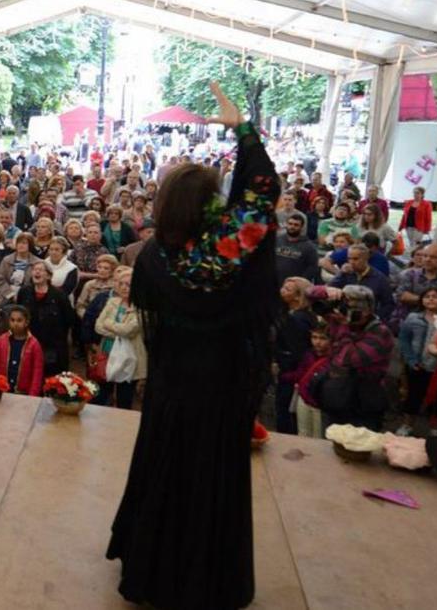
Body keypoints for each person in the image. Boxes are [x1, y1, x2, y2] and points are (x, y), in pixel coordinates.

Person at [108, 83, 281, 609]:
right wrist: (242, 130)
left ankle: (153, 571)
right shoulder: (231, 249)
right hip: (221, 380)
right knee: (212, 475)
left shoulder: (154, 258)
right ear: (211, 207)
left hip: (173, 382)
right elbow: (261, 190)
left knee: (166, 465)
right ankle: (208, 578)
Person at [306, 284, 393, 432]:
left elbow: (347, 360)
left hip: (363, 402)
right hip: (336, 394)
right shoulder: (340, 318)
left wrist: (343, 327)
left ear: (367, 311)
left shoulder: (380, 332)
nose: (343, 312)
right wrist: (327, 291)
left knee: (357, 446)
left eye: (351, 309)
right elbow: (308, 293)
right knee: (330, 439)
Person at [94, 267, 146, 410]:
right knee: (102, 394)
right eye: (121, 284)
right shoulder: (112, 302)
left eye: (128, 284)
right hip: (107, 351)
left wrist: (109, 324)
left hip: (129, 357)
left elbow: (129, 330)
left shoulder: (142, 306)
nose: (124, 287)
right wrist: (118, 329)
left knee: (124, 397)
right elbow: (98, 326)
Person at [16, 262, 77, 377]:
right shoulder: (24, 292)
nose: (37, 272)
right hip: (29, 341)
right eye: (34, 269)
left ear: (49, 276)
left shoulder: (59, 295)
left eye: (41, 270)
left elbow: (69, 318)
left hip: (53, 345)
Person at [396, 287, 437, 436]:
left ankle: (435, 428)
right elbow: (404, 340)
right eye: (427, 296)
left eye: (435, 296)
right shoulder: (413, 318)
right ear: (422, 300)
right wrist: (411, 359)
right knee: (413, 397)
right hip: (418, 365)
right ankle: (407, 425)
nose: (431, 299)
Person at [274, 277, 315, 434]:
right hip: (295, 370)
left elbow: (294, 350)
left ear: (298, 297)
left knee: (285, 409)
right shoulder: (297, 315)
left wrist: (279, 365)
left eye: (287, 290)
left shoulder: (296, 319)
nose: (282, 291)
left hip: (291, 372)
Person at [327, 244, 395, 322]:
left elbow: (388, 304)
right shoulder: (346, 274)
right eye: (349, 259)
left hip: (366, 321)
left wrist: (376, 318)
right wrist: (340, 274)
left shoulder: (380, 279)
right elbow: (329, 288)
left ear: (366, 259)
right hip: (343, 318)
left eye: (355, 259)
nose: (351, 262)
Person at [0, 305, 45, 396]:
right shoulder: (1, 340)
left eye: (19, 320)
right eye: (12, 320)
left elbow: (37, 373)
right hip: (2, 392)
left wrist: (32, 395)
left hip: (23, 394)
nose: (15, 323)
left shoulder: (34, 344)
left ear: (26, 322)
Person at [290, 320, 331, 439]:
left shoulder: (335, 359)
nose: (317, 342)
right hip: (303, 399)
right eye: (314, 337)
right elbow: (301, 373)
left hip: (320, 404)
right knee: (302, 434)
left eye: (322, 338)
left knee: (318, 438)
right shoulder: (309, 354)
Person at [0, 233, 43, 305]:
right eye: (19, 243)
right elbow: (0, 279)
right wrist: (10, 294)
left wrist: (24, 295)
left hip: (28, 298)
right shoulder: (7, 260)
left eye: (24, 243)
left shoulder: (37, 262)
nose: (21, 245)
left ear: (30, 245)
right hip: (7, 297)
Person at [275, 211, 320, 284]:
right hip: (273, 282)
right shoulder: (277, 240)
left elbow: (312, 268)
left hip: (293, 286)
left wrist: (299, 282)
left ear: (301, 227)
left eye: (296, 225)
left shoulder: (309, 247)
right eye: (290, 224)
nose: (292, 227)